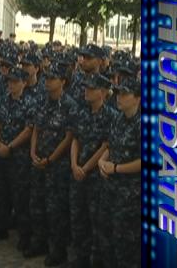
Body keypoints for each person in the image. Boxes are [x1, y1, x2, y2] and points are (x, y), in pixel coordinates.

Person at [26, 63, 76, 266]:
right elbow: (36, 129)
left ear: (62, 81)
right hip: (39, 162)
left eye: (52, 78)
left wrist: (51, 159)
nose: (47, 81)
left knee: (56, 210)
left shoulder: (70, 105)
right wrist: (33, 152)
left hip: (57, 166)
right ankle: (39, 241)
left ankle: (58, 249)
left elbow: (68, 137)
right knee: (37, 205)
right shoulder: (42, 102)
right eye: (46, 78)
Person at [69, 74, 117, 268]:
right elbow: (75, 139)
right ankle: (80, 258)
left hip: (95, 178)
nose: (86, 91)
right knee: (77, 218)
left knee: (96, 222)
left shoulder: (111, 116)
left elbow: (106, 146)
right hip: (77, 173)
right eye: (86, 87)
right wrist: (74, 165)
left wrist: (85, 168)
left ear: (103, 92)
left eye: (91, 88)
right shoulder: (83, 112)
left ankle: (94, 261)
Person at [0, 67, 34, 246]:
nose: (11, 85)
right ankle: (0, 227)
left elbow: (29, 129)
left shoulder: (30, 103)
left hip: (18, 157)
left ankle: (24, 235)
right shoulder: (2, 101)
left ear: (24, 83)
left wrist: (10, 146)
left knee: (20, 196)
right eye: (9, 81)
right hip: (0, 153)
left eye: (15, 82)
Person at [97, 78, 141, 268]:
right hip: (110, 189)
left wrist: (115, 168)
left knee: (125, 243)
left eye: (124, 94)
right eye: (118, 93)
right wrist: (102, 160)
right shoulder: (118, 118)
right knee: (106, 236)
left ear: (137, 98)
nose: (119, 98)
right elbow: (110, 145)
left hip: (130, 194)